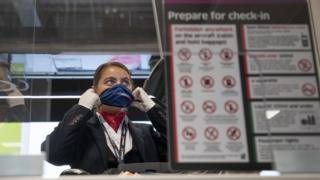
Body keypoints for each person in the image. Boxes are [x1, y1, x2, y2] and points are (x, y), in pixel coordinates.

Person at [41, 61, 167, 174]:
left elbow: (182, 150)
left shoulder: (147, 133)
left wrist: (153, 108)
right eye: (110, 82)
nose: (119, 87)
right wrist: (82, 108)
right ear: (94, 91)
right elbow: (52, 155)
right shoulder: (80, 131)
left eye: (125, 82)